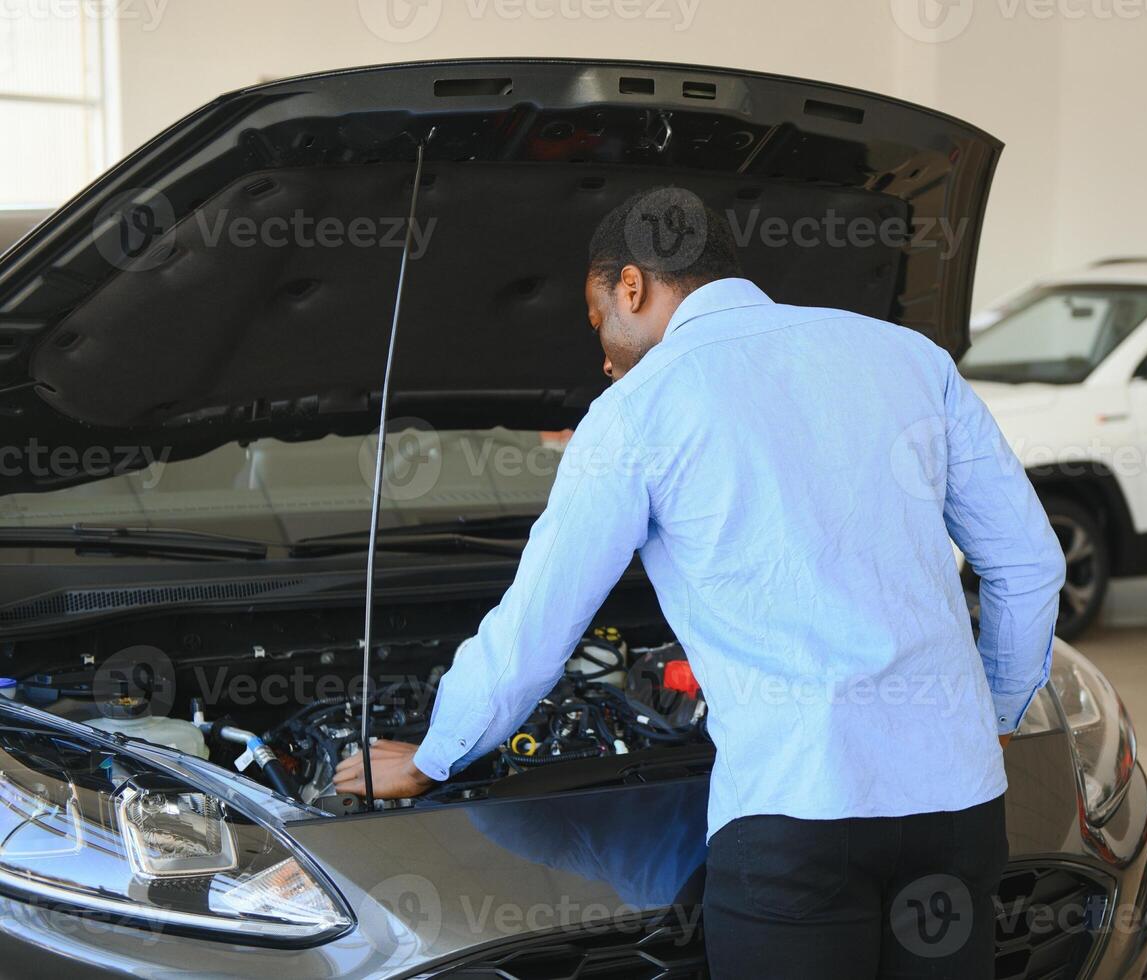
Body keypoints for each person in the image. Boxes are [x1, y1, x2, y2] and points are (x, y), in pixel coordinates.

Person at [334, 186, 1066, 979]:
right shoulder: (908, 357)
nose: (601, 348)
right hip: (957, 807)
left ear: (631, 287)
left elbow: (538, 623)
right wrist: (989, 712)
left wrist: (436, 755)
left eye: (595, 317)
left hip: (796, 817)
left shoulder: (637, 409)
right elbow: (1028, 564)